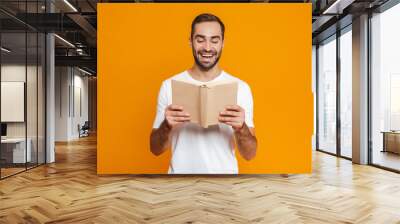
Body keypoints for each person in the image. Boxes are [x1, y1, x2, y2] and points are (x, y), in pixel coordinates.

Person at [150, 13, 257, 174]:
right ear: (190, 41)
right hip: (179, 182)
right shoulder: (168, 86)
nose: (207, 47)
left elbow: (250, 154)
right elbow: (155, 149)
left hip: (224, 182)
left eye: (214, 40)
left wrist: (241, 128)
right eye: (200, 40)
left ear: (222, 43)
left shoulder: (241, 88)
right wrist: (166, 126)